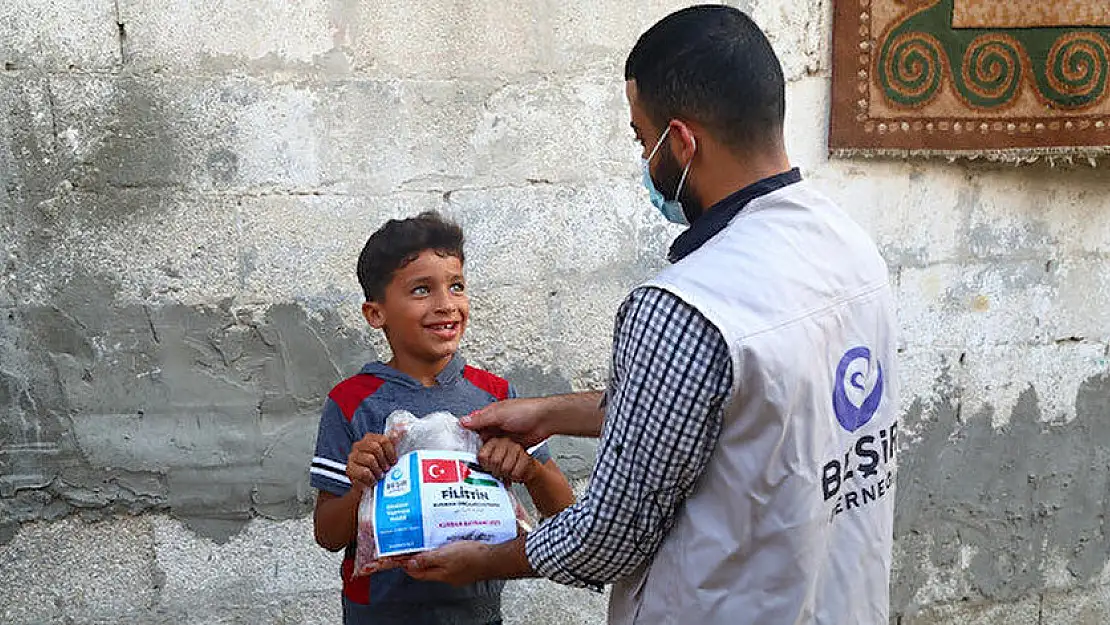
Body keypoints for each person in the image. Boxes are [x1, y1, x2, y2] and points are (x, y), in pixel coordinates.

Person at [404, 6, 899, 625]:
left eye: (644, 139)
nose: (645, 160)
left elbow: (610, 535)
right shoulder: (850, 246)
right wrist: (552, 413)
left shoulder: (686, 303)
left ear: (682, 141)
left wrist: (484, 560)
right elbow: (742, 410)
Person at [309, 211, 575, 625]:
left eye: (456, 286)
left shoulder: (497, 398)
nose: (446, 304)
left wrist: (528, 470)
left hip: (477, 614)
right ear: (375, 313)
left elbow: (563, 512)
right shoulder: (352, 402)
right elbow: (328, 535)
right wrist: (361, 485)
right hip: (377, 615)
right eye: (421, 290)